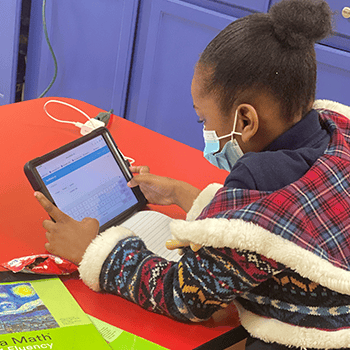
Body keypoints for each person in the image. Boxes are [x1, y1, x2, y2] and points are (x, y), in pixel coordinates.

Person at [34, 0, 350, 348]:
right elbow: (290, 210)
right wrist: (181, 195)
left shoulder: (258, 176)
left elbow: (186, 296)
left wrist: (93, 250)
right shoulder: (333, 135)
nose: (205, 130)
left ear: (245, 121)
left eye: (205, 120)